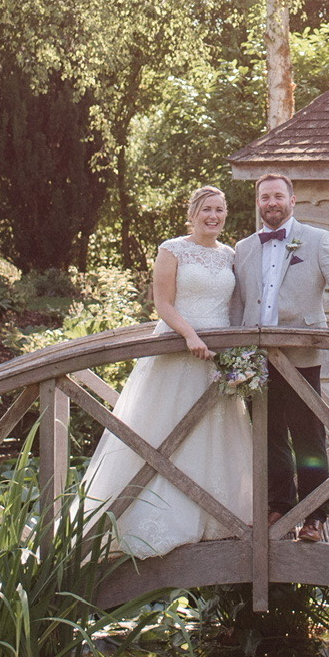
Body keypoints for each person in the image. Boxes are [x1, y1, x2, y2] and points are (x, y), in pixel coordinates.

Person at [80, 185, 254, 558]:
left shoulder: (230, 255)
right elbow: (163, 303)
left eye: (220, 210)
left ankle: (215, 519)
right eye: (207, 209)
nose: (214, 216)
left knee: (212, 434)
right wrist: (190, 335)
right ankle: (145, 521)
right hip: (178, 348)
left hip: (218, 358)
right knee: (164, 434)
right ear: (192, 214)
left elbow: (235, 304)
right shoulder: (171, 249)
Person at [227, 174, 329, 543]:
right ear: (257, 202)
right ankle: (279, 508)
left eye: (278, 196)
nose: (272, 202)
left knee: (308, 438)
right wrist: (231, 352)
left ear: (292, 200)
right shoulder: (244, 247)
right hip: (256, 360)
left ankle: (314, 516)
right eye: (265, 197)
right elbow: (238, 304)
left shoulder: (316, 240)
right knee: (268, 437)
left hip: (302, 355)